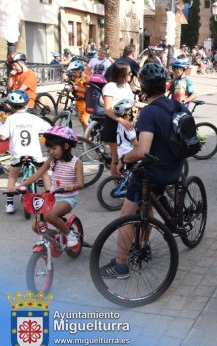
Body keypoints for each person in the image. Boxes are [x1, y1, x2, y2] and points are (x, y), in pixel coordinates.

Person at [98, 62, 187, 278]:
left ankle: (120, 265)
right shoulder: (178, 106)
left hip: (153, 171)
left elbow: (142, 151)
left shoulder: (149, 113)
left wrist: (122, 160)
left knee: (127, 213)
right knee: (146, 205)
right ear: (165, 86)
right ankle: (144, 244)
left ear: (144, 90)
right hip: (175, 168)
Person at [17, 126, 83, 248]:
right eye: (49, 148)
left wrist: (72, 186)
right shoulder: (51, 161)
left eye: (54, 148)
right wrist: (20, 186)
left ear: (66, 146)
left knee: (50, 215)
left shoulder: (76, 162)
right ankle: (54, 236)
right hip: (52, 197)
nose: (51, 151)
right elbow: (37, 174)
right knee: (36, 224)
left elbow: (81, 184)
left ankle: (69, 235)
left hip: (68, 198)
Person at [0, 90, 51, 213]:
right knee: (43, 173)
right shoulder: (33, 118)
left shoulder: (10, 119)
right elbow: (49, 129)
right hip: (34, 153)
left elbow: (3, 137)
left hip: (18, 154)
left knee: (12, 176)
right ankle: (50, 197)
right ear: (27, 104)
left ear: (11, 106)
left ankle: (9, 204)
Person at [102, 61, 135, 177]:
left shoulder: (126, 86)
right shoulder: (109, 87)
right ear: (121, 74)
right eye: (129, 73)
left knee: (128, 154)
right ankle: (116, 186)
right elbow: (107, 109)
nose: (131, 75)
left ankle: (124, 181)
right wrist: (121, 121)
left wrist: (149, 105)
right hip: (113, 124)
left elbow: (132, 103)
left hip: (127, 123)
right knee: (116, 156)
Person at [67, 60, 91, 131]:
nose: (73, 74)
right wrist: (73, 89)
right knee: (81, 120)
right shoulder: (77, 78)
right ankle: (86, 136)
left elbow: (88, 90)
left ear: (80, 70)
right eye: (73, 72)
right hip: (78, 102)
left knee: (84, 121)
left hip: (85, 103)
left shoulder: (86, 79)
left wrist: (78, 88)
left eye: (75, 72)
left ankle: (87, 139)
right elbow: (76, 87)